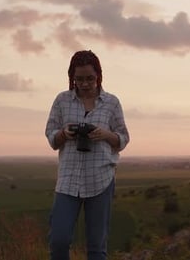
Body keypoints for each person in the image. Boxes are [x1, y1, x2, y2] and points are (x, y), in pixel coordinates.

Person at [45, 50, 130, 260]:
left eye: (89, 78)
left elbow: (123, 139)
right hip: (68, 181)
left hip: (100, 179)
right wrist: (64, 134)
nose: (84, 84)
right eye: (79, 79)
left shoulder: (112, 103)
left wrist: (104, 134)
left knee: (97, 248)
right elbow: (51, 138)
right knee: (59, 240)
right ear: (72, 78)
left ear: (99, 76)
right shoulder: (62, 100)